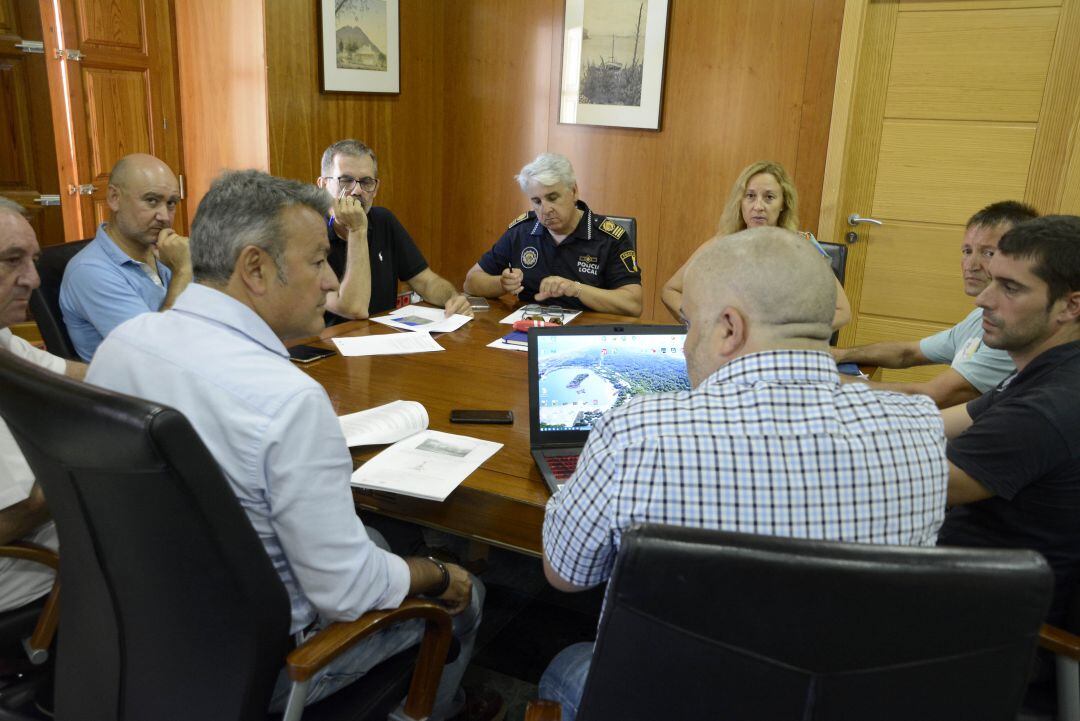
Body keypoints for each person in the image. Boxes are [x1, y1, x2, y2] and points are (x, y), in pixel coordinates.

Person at [85, 171, 498, 720]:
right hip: (268, 672)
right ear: (255, 268)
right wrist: (440, 574)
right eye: (318, 260)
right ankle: (437, 710)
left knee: (372, 536)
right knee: (468, 599)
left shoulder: (123, 345)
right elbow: (348, 594)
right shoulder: (289, 402)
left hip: (137, 634)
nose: (331, 281)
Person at [539, 227, 947, 721]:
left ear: (729, 328)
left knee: (565, 662)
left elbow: (566, 576)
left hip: (673, 703)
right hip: (843, 704)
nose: (686, 343)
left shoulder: (637, 432)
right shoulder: (919, 429)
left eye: (689, 324)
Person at [832, 201, 1038, 408]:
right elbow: (909, 353)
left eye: (988, 253)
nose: (971, 265)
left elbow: (932, 396)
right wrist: (841, 354)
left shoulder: (1013, 333)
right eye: (967, 251)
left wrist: (826, 380)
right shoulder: (981, 316)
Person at [0, 198, 86, 613]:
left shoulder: (3, 338)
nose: (33, 279)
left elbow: (69, 373)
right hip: (23, 569)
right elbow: (20, 512)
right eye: (12, 260)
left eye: (32, 260)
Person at [660, 159, 851, 329]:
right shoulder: (720, 245)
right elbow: (671, 290)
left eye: (769, 197)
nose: (758, 206)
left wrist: (792, 336)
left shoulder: (803, 248)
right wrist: (702, 325)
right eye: (750, 196)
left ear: (783, 203)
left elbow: (842, 310)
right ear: (740, 201)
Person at [463, 153, 643, 316]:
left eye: (552, 197)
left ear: (573, 191)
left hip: (587, 335)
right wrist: (501, 284)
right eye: (537, 201)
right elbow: (471, 282)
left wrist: (576, 289)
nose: (545, 209)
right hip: (528, 330)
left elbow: (633, 304)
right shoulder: (522, 231)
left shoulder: (609, 238)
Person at [316, 139, 471, 320]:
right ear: (323, 185)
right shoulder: (308, 232)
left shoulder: (383, 221)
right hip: (328, 344)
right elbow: (355, 309)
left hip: (383, 338)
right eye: (346, 180)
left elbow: (425, 281)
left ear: (375, 188)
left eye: (366, 182)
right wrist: (357, 230)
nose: (357, 190)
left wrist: (451, 298)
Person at [58, 153, 191, 361]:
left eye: (171, 203)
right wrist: (183, 271)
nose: (165, 216)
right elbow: (157, 355)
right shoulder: (90, 271)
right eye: (151, 200)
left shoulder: (165, 252)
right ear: (114, 198)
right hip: (139, 390)